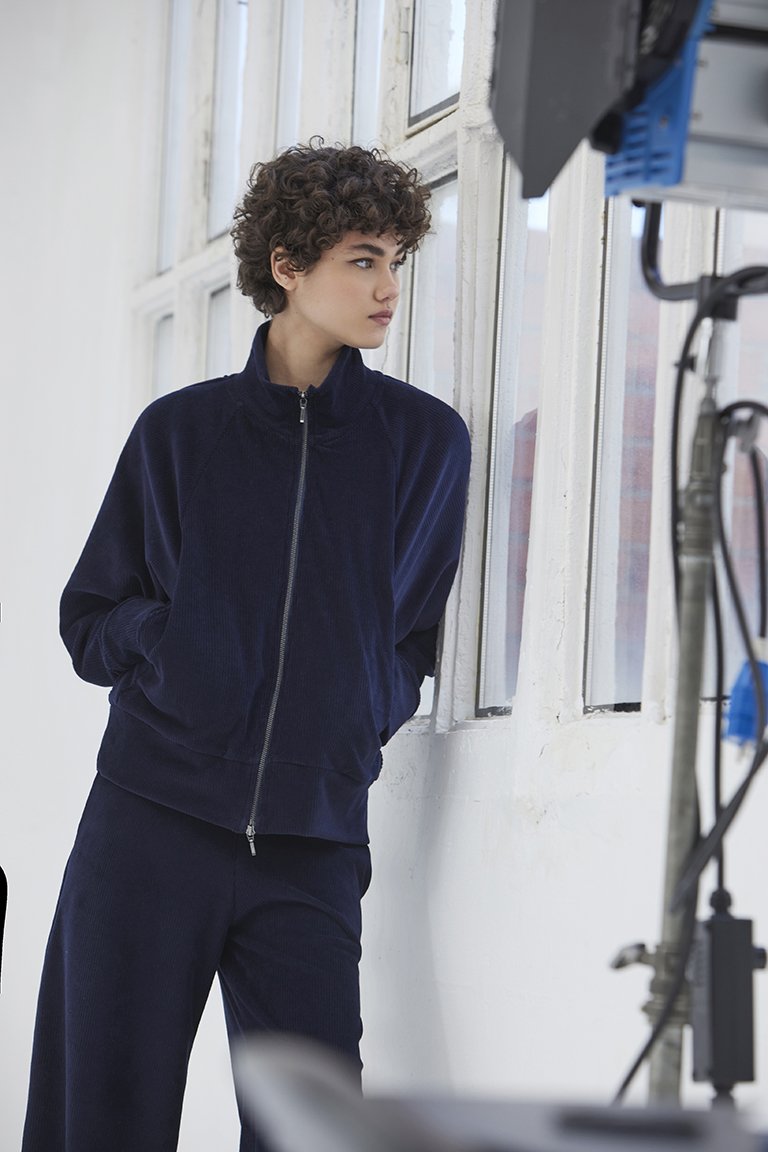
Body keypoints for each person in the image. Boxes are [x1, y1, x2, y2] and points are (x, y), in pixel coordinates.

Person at [22, 139, 471, 1151]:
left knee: (313, 1128)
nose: (389, 287)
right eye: (363, 259)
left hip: (313, 842)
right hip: (149, 822)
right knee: (101, 1115)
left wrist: (361, 711)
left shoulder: (425, 442)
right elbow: (91, 617)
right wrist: (176, 643)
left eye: (397, 260)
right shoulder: (180, 435)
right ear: (287, 265)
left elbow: (412, 632)